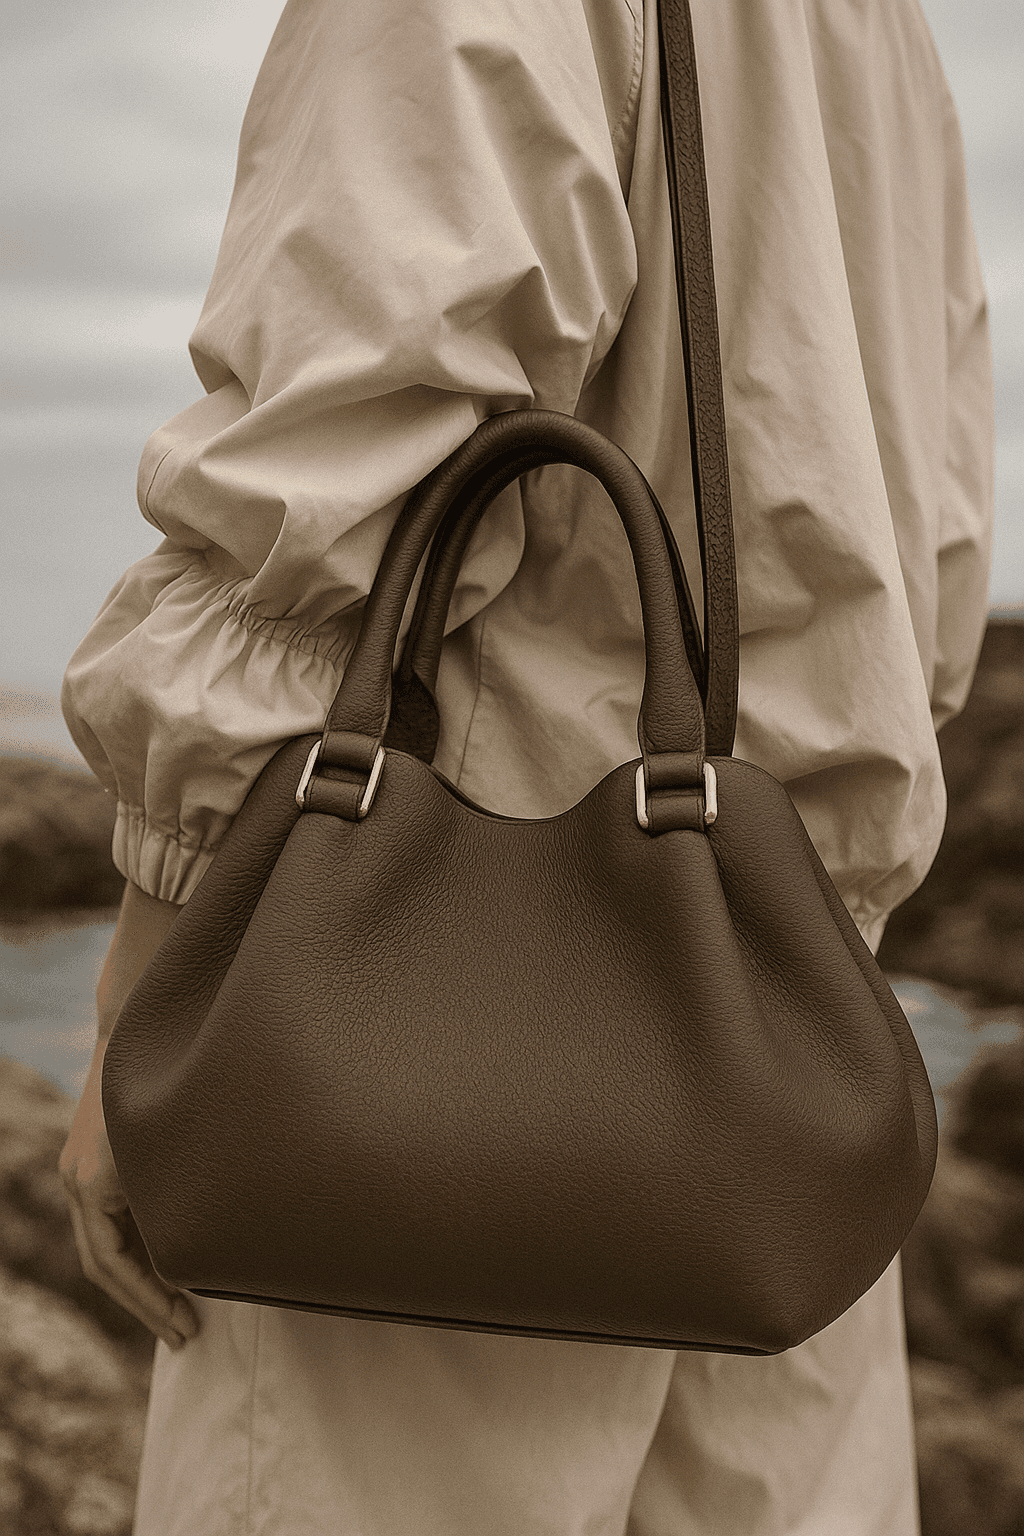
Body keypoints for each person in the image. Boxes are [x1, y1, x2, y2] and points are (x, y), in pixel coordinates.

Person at [58, 0, 993, 1531]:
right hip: (784, 1102)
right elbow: (935, 551)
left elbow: (340, 450)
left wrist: (153, 985)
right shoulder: (887, 32)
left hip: (398, 1074)